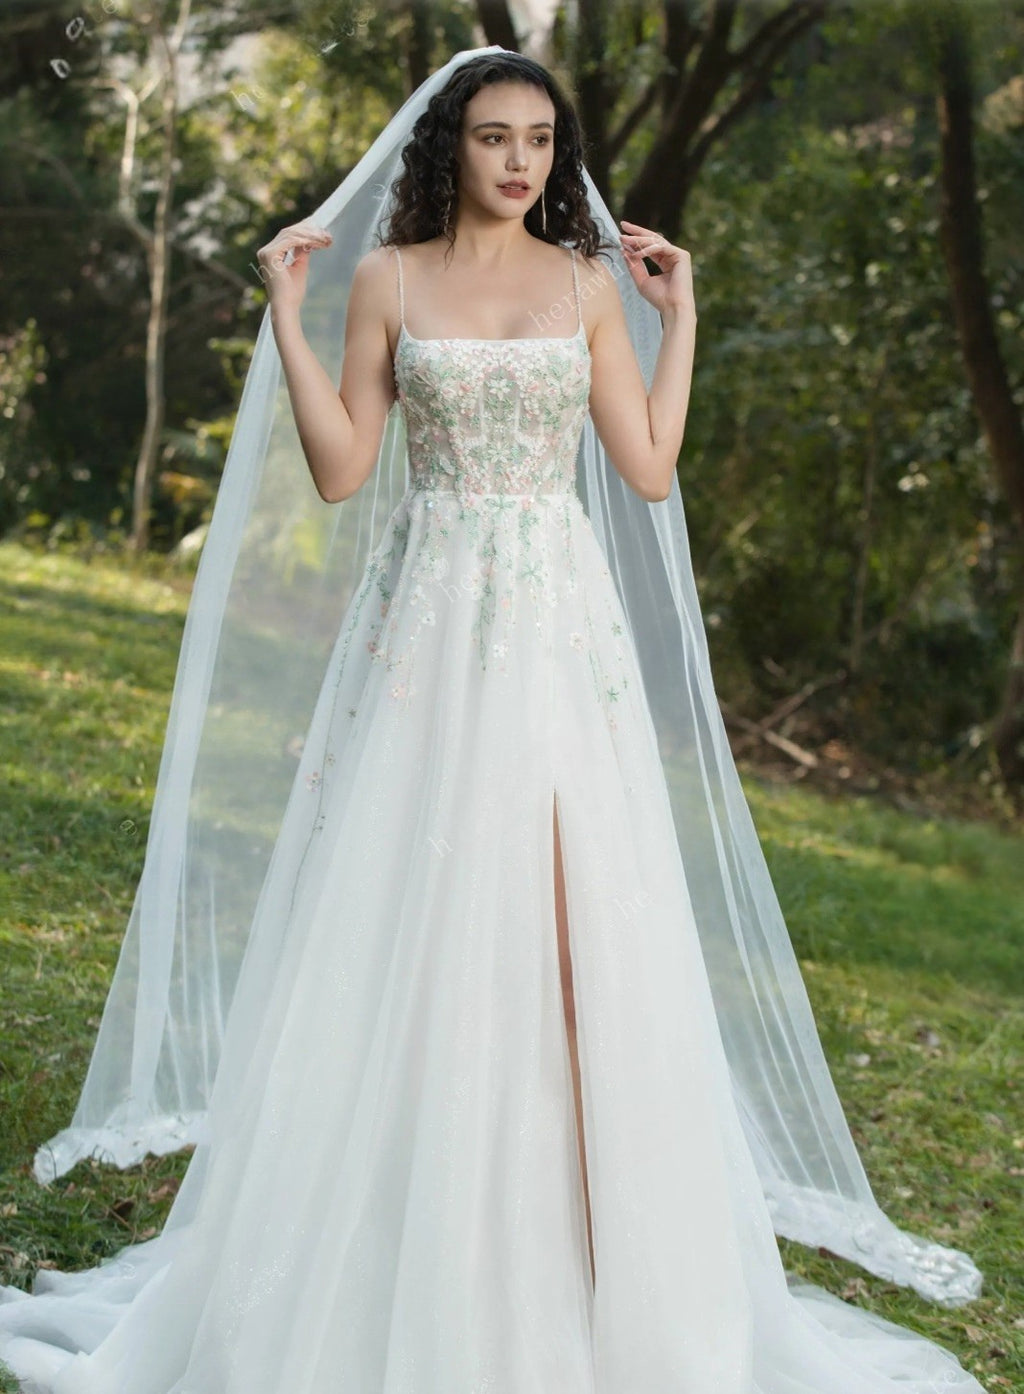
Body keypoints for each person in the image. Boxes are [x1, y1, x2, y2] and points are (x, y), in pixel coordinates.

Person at [0, 45, 990, 1394]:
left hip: (560, 640)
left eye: (537, 138)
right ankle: (419, 1241)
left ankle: (598, 1255)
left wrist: (678, 316)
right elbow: (348, 474)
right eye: (492, 138)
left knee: (587, 933)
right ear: (448, 150)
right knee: (426, 919)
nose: (519, 161)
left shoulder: (589, 285)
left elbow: (644, 470)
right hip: (429, 640)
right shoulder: (393, 281)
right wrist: (289, 320)